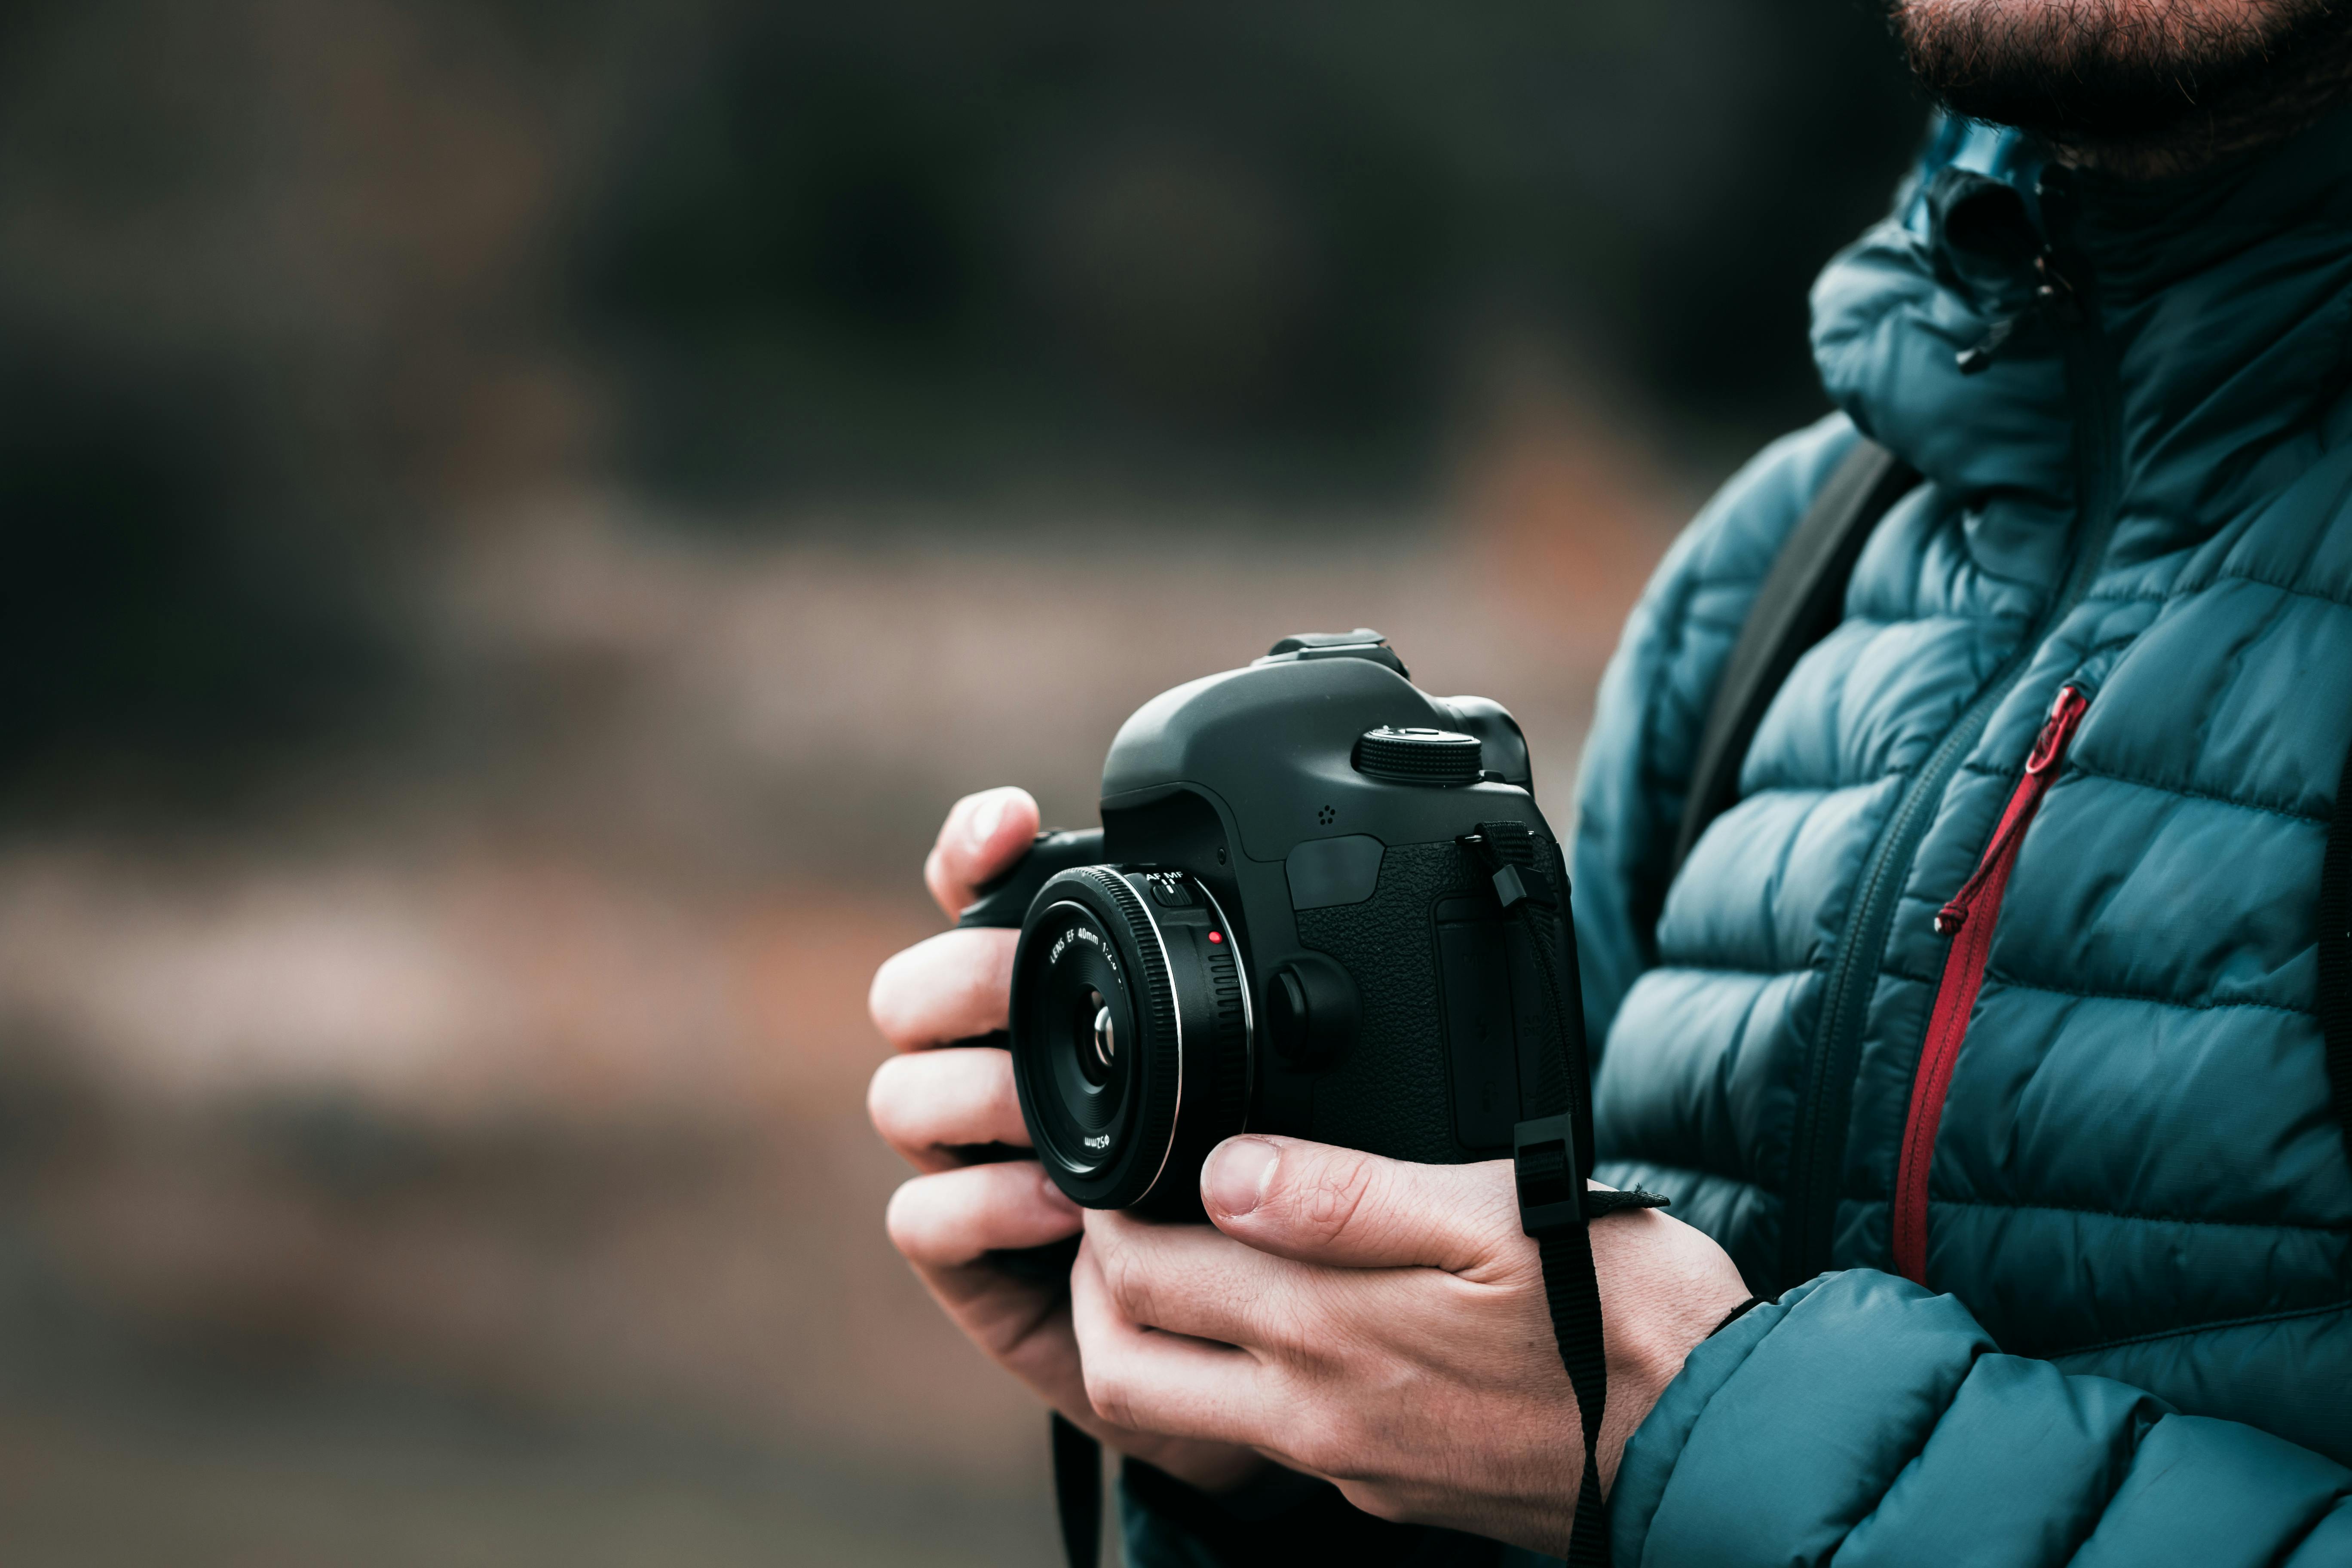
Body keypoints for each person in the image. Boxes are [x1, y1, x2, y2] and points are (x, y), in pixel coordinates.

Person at [867, 1, 2352, 1560]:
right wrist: (1285, 1426)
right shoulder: (1790, 573)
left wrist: (1690, 1427)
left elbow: (1649, 1440)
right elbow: (1565, 1485)